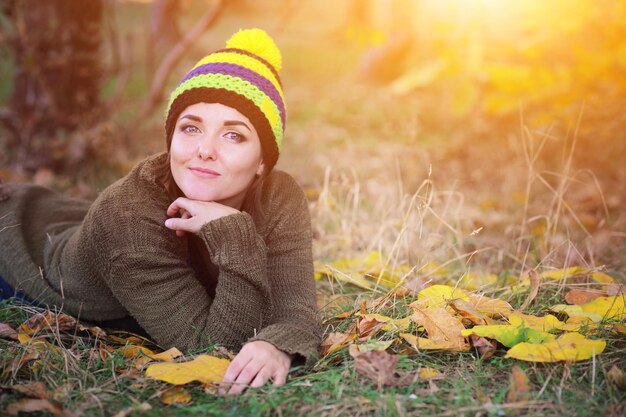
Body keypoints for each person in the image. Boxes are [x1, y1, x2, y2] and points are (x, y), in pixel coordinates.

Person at [0, 28, 321, 394]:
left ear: (263, 160)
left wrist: (277, 345)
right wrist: (233, 234)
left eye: (234, 135)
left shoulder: (280, 195)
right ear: (170, 139)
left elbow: (296, 307)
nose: (205, 150)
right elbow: (211, 346)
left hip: (76, 225)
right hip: (17, 255)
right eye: (191, 128)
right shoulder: (128, 220)